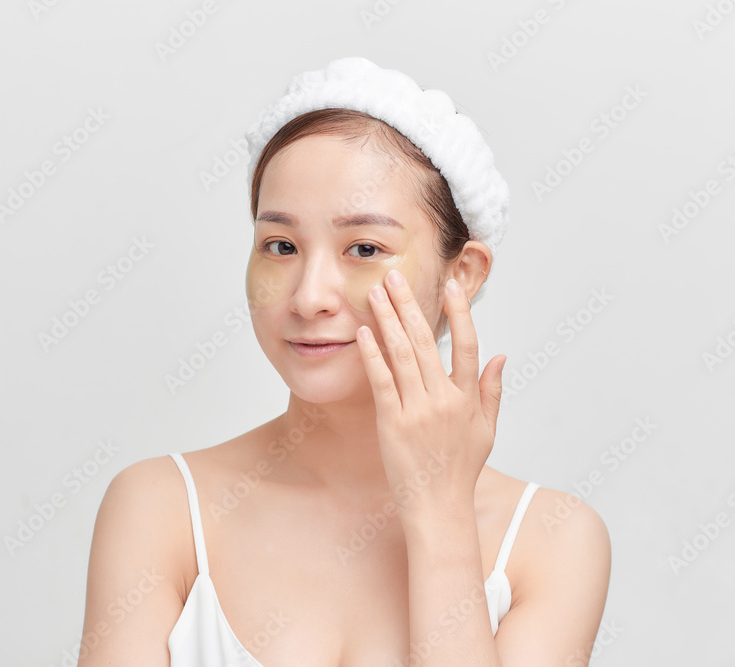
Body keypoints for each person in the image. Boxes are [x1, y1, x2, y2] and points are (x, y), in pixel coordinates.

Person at [76, 56, 610, 666]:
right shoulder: (159, 508)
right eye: (280, 246)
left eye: (364, 248)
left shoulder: (553, 541)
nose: (308, 297)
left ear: (460, 275)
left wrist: (438, 512)